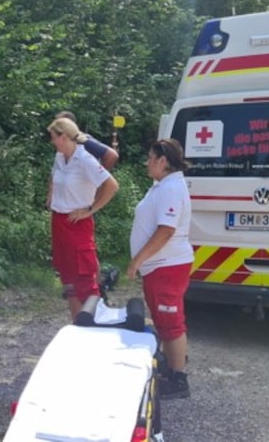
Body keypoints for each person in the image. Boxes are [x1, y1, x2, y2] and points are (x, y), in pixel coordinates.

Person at [126, 138, 193, 400]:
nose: (146, 162)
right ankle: (169, 369)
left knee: (171, 322)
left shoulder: (171, 189)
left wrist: (137, 260)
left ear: (162, 161)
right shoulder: (163, 185)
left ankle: (178, 380)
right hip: (162, 266)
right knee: (165, 321)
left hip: (167, 265)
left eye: (150, 157)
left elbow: (166, 230)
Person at [47, 117, 119, 321]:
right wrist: (51, 196)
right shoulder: (60, 157)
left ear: (64, 136)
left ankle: (95, 327)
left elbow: (112, 185)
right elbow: (54, 177)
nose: (52, 141)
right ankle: (78, 324)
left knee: (85, 279)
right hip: (59, 221)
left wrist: (90, 209)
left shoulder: (84, 158)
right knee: (68, 279)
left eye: (53, 137)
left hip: (77, 224)